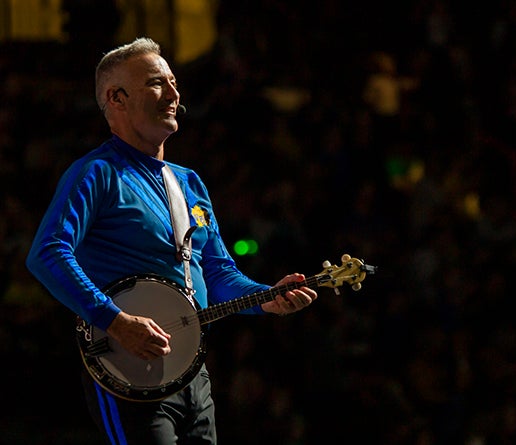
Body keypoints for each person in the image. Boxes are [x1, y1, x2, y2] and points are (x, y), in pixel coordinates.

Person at [26, 37, 317, 445]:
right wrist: (114, 320)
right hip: (129, 374)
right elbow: (47, 253)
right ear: (117, 98)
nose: (174, 94)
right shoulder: (95, 173)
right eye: (156, 83)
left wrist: (265, 296)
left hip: (193, 375)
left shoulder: (189, 182)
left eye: (174, 82)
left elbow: (217, 272)